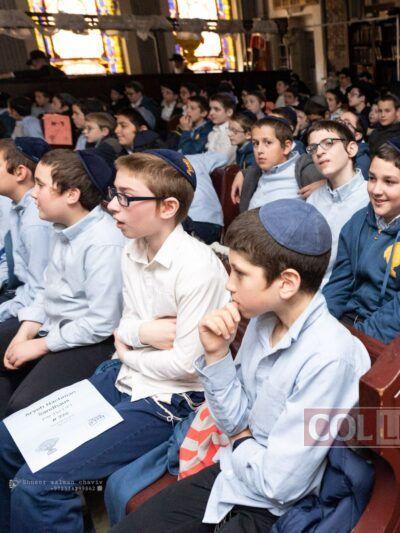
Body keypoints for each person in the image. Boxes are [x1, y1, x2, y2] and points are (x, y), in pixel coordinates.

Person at [0, 149, 228, 532]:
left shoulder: (197, 268)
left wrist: (128, 350)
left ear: (168, 207)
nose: (112, 207)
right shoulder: (132, 247)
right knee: (8, 441)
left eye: (126, 197)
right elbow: (125, 327)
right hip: (121, 378)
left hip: (167, 400)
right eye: (113, 194)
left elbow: (186, 367)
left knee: (39, 485)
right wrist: (138, 335)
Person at [114, 199, 370, 532]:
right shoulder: (264, 320)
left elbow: (280, 485)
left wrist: (239, 438)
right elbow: (234, 420)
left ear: (287, 282)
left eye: (240, 273)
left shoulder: (329, 357)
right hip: (235, 474)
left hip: (277, 510)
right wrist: (217, 355)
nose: (228, 284)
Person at [0, 150, 124, 415]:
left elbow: (102, 322)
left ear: (71, 195)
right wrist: (25, 332)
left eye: (41, 185)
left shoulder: (103, 242)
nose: (33, 194)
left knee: (24, 407)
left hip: (90, 341)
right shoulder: (62, 227)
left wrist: (39, 345)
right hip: (54, 327)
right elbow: (46, 291)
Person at [324, 137, 400, 343]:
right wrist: (322, 323)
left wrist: (354, 339)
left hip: (384, 337)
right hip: (346, 324)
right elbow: (339, 284)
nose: (376, 190)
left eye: (389, 182)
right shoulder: (359, 221)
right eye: (372, 178)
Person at [305, 120, 370, 284]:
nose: (319, 152)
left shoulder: (371, 197)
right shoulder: (313, 199)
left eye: (328, 143)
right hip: (309, 285)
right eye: (313, 148)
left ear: (351, 149)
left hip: (349, 289)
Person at [0, 138, 53, 324]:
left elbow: (39, 291)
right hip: (22, 295)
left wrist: (4, 310)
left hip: (35, 308)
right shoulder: (19, 208)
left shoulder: (35, 220)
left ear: (20, 172)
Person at [237, 117, 300, 211]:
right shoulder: (257, 173)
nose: (259, 150)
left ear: (286, 147)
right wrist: (242, 173)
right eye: (255, 143)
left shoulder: (301, 174)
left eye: (268, 142)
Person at [339, 108, 371, 178]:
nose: (338, 125)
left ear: (357, 135)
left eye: (346, 123)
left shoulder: (361, 161)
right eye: (339, 121)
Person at [206, 94, 237, 164]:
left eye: (216, 109)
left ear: (229, 112)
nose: (211, 113)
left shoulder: (232, 133)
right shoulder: (212, 132)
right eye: (210, 109)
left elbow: (222, 162)